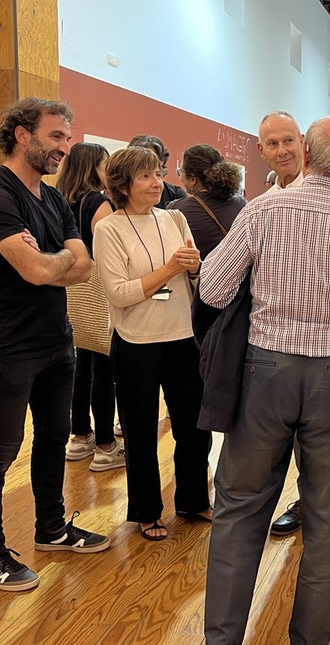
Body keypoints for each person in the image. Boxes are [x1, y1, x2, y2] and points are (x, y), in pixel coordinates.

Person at [199, 115, 330, 645]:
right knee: (328, 517)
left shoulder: (262, 211)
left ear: (303, 153)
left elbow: (213, 290)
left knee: (239, 508)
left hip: (265, 370)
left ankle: (221, 639)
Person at [0, 97, 111, 593]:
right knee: (0, 451)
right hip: (8, 347)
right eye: (55, 137)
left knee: (54, 439)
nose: (64, 148)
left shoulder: (50, 200)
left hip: (56, 340)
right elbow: (37, 269)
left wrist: (54, 263)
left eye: (67, 138)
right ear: (22, 135)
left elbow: (83, 265)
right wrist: (57, 262)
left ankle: (51, 529)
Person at [256, 111, 330, 559]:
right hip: (276, 350)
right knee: (295, 438)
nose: (281, 150)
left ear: (304, 146)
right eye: (272, 143)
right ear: (262, 149)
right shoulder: (262, 203)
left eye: (288, 140)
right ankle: (308, 504)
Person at [94, 146, 213, 541]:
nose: (157, 183)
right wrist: (171, 269)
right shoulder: (108, 229)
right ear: (122, 185)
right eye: (146, 176)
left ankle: (195, 500)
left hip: (182, 336)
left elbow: (197, 278)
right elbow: (119, 293)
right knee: (141, 432)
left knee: (195, 428)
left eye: (158, 173)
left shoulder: (175, 218)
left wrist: (195, 268)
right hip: (136, 342)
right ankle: (147, 512)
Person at [55, 142, 125, 472]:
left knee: (81, 366)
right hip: (98, 292)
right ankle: (105, 446)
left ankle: (79, 435)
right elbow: (111, 248)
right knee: (103, 371)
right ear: (94, 167)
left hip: (72, 292)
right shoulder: (96, 203)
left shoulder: (59, 201)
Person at [167, 144, 246, 258]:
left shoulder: (176, 210)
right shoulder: (241, 204)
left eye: (181, 172)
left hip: (201, 274)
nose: (181, 177)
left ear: (193, 179)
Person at [129, 134, 187, 208]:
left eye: (154, 158)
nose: (150, 163)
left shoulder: (175, 194)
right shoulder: (122, 194)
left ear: (162, 161)